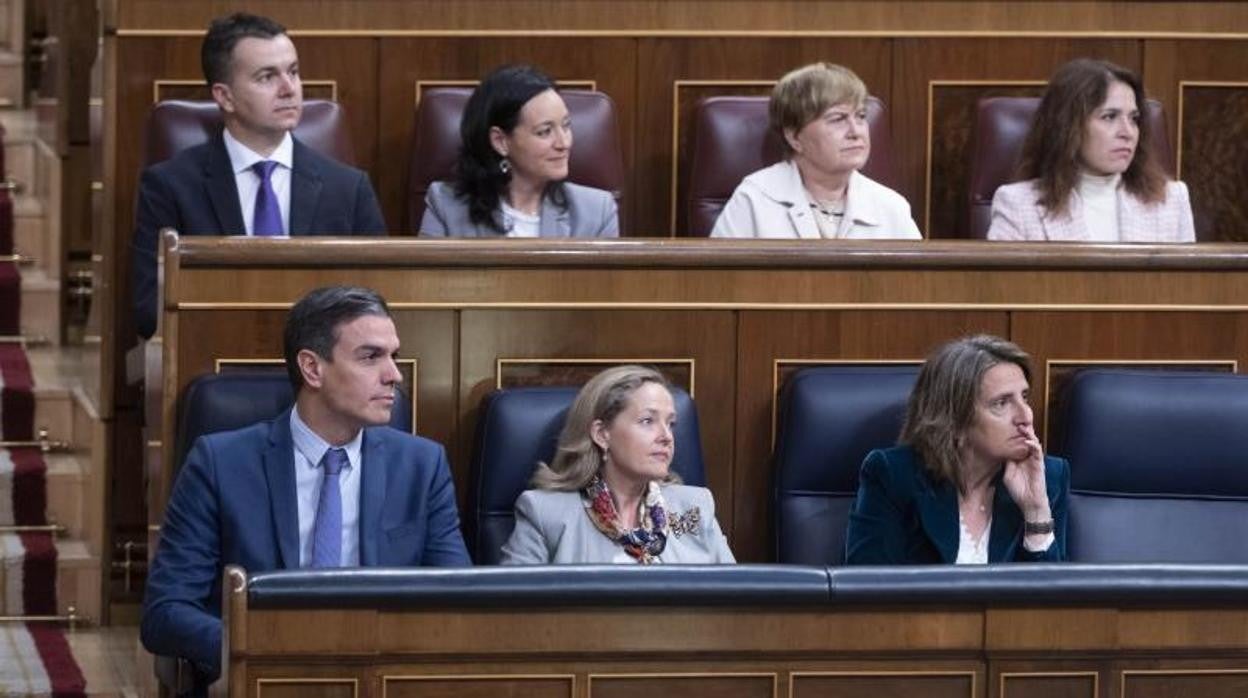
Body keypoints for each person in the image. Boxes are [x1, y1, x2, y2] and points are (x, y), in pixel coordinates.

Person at [141, 286, 469, 685]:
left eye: (394, 356)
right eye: (370, 357)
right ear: (312, 368)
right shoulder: (220, 463)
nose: (394, 375)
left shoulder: (422, 466)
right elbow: (166, 611)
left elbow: (457, 604)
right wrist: (265, 651)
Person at [131, 13, 386, 339]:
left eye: (293, 72)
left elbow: (377, 305)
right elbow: (148, 310)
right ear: (225, 96)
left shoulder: (349, 189)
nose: (289, 88)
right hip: (217, 362)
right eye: (267, 77)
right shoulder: (170, 186)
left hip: (325, 373)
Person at [845, 335, 1068, 564]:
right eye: (1001, 403)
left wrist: (1036, 512)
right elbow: (866, 589)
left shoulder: (1048, 478)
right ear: (955, 420)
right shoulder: (894, 476)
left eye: (1024, 397)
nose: (1026, 416)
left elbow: (1054, 596)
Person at [501, 365, 734, 564]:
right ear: (602, 434)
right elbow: (510, 612)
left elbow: (738, 605)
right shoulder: (545, 514)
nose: (666, 436)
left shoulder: (695, 508)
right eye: (647, 421)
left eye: (670, 423)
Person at [988, 58, 1195, 242]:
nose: (1128, 132)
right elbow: (1002, 286)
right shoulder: (1018, 205)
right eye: (1109, 116)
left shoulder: (1173, 201)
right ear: (1068, 126)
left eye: (1134, 119)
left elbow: (1188, 286)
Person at [711, 62, 921, 239]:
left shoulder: (890, 206)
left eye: (861, 116)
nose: (855, 131)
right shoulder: (755, 198)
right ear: (795, 137)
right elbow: (720, 283)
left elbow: (918, 284)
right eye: (838, 119)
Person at [420, 64, 618, 238]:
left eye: (566, 126)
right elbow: (426, 280)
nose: (564, 142)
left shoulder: (597, 212)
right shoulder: (445, 206)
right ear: (500, 141)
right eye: (545, 131)